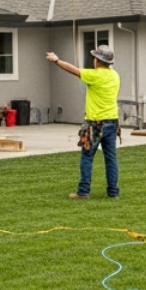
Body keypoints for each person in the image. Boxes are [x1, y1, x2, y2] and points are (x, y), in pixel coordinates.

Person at [47, 43, 120, 199]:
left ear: (97, 60)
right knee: (111, 158)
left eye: (94, 57)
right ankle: (113, 192)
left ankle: (83, 191)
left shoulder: (94, 75)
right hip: (112, 122)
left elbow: (74, 71)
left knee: (87, 157)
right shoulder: (115, 75)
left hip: (95, 123)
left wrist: (56, 60)